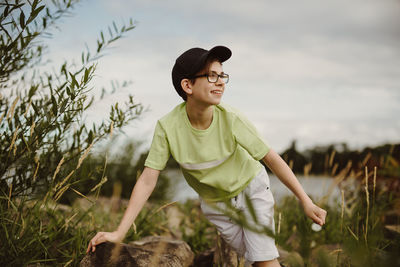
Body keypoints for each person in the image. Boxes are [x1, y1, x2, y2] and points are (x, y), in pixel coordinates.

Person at [87, 46, 327, 267]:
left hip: (251, 191)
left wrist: (305, 200)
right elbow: (148, 179)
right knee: (259, 258)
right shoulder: (168, 127)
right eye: (212, 76)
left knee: (264, 260)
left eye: (222, 76)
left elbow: (272, 159)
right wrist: (119, 232)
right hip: (216, 206)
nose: (221, 82)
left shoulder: (231, 118)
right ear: (188, 86)